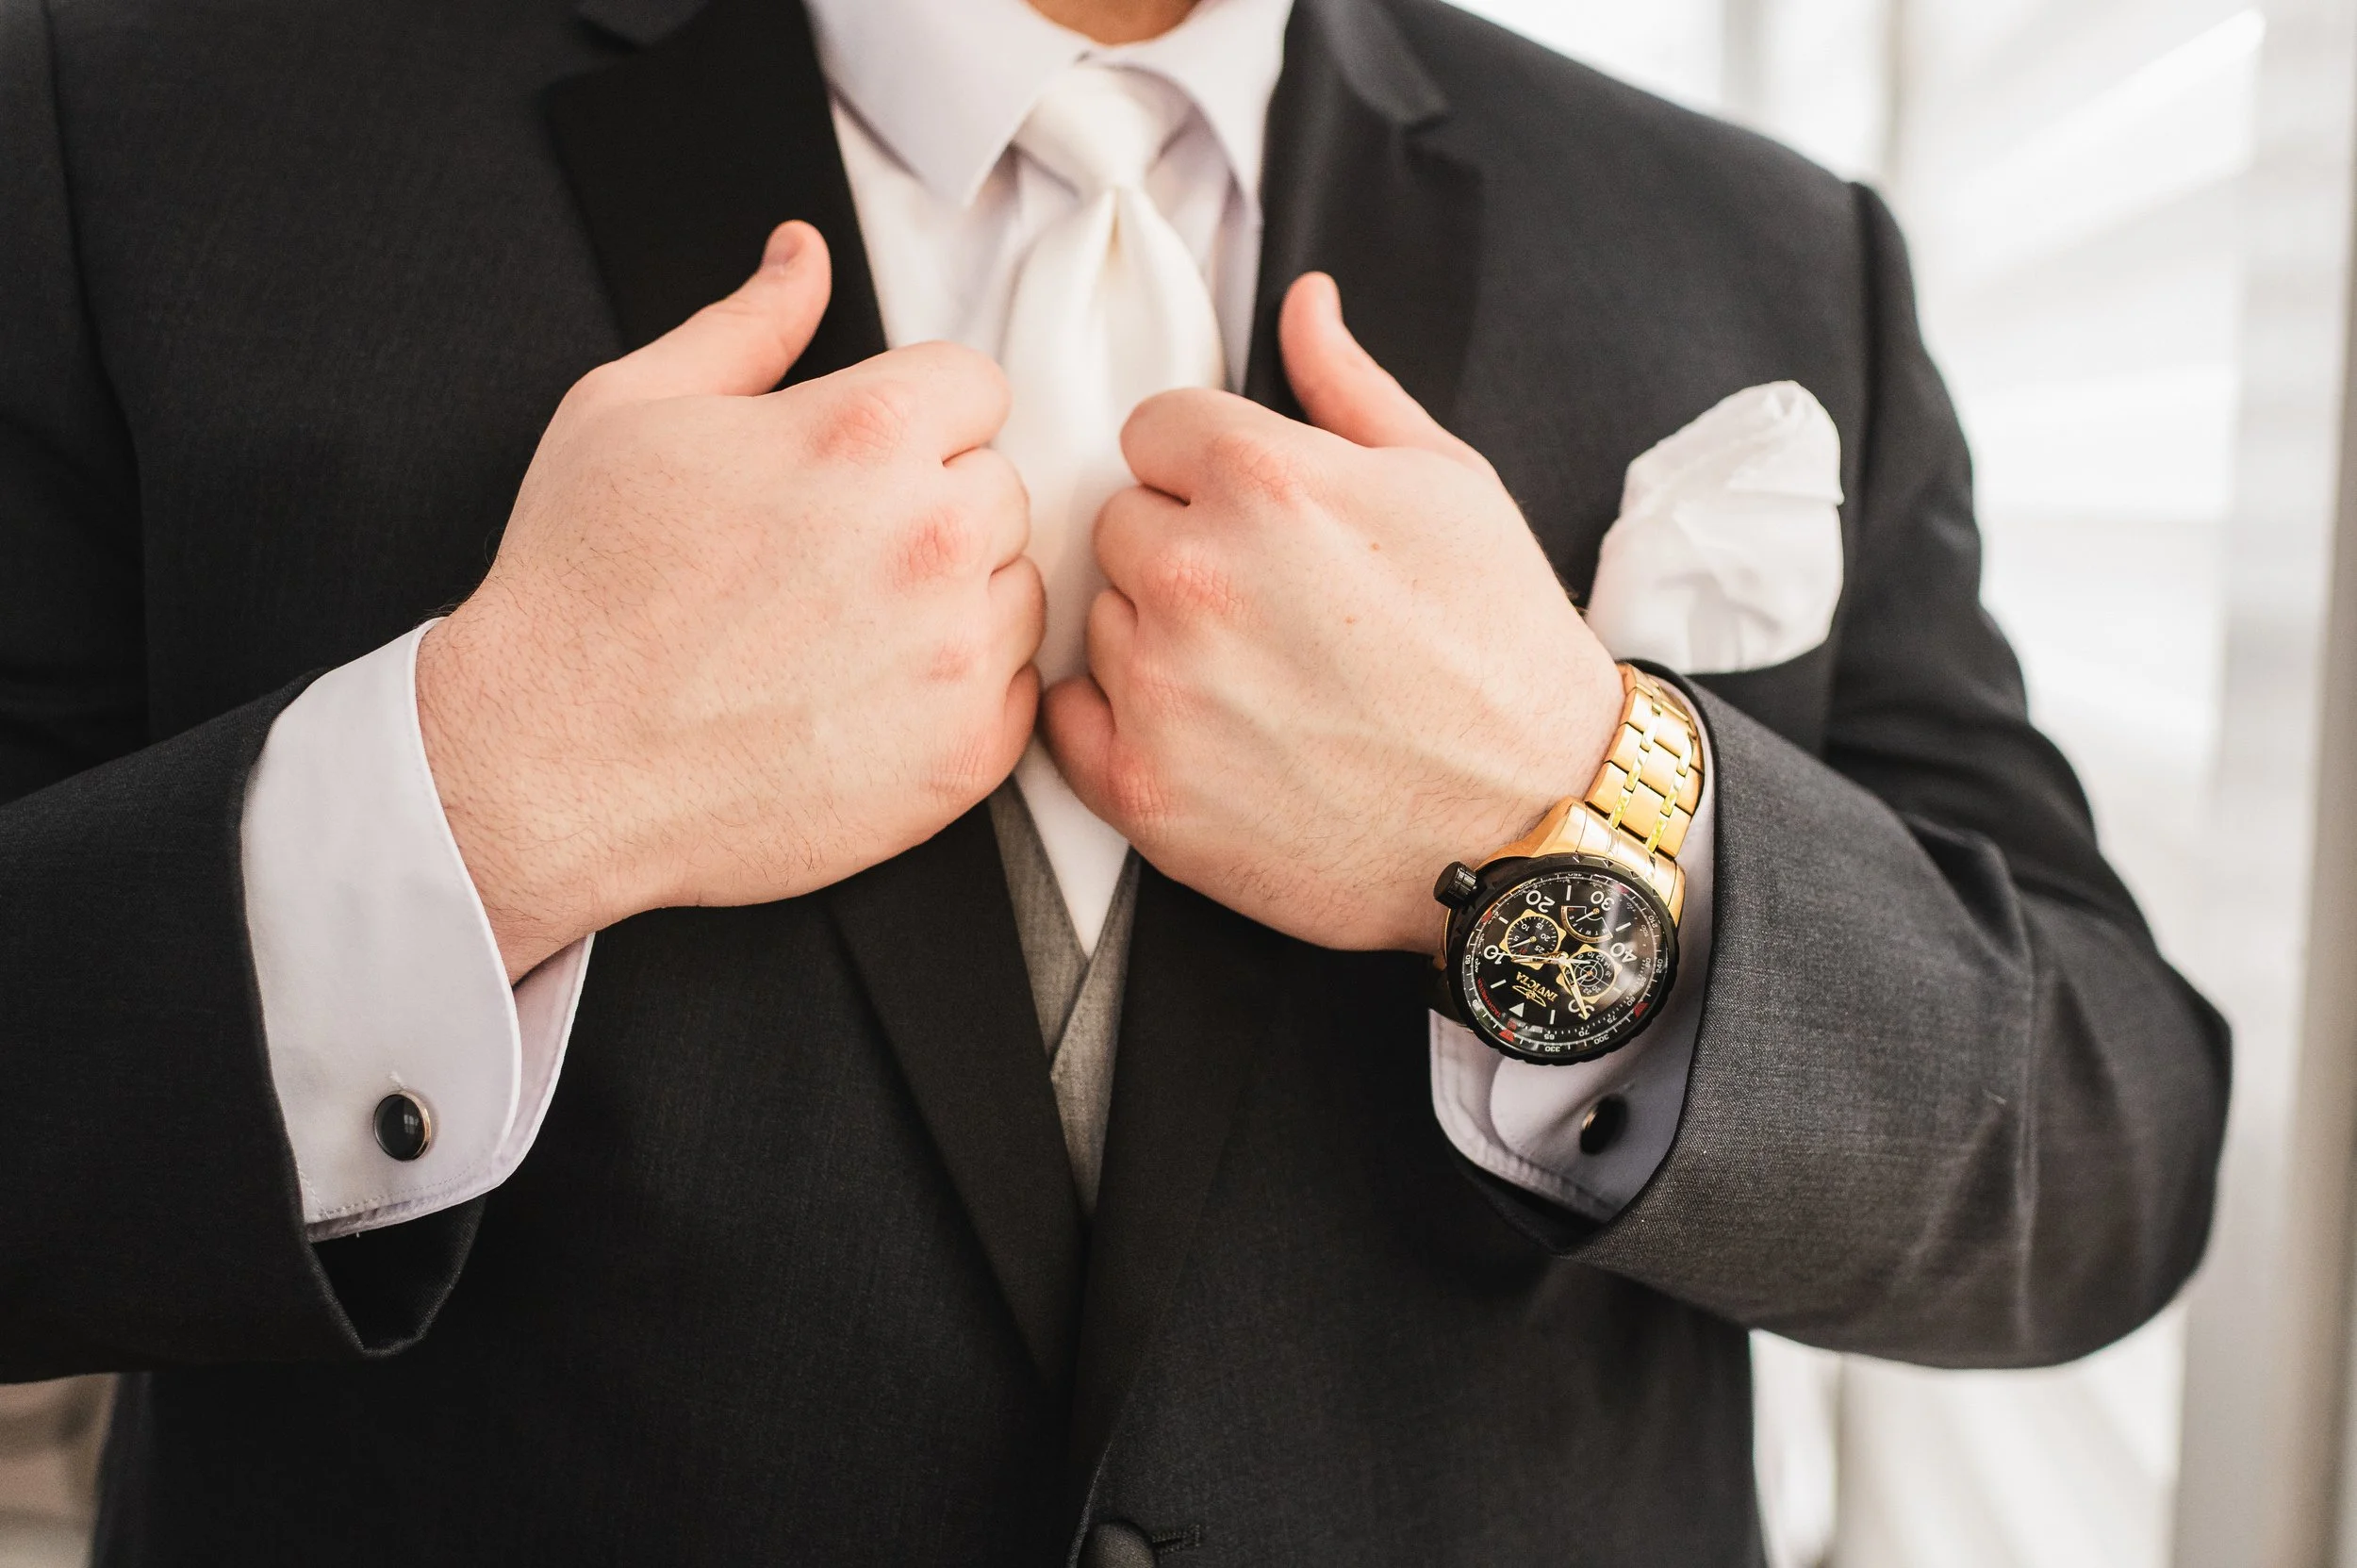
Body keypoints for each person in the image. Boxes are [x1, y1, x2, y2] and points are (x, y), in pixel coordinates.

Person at [0, 0, 2228, 1560]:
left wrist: (1567, 804)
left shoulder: (1763, 249)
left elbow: (2102, 1159)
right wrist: (485, 791)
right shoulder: (127, 134)